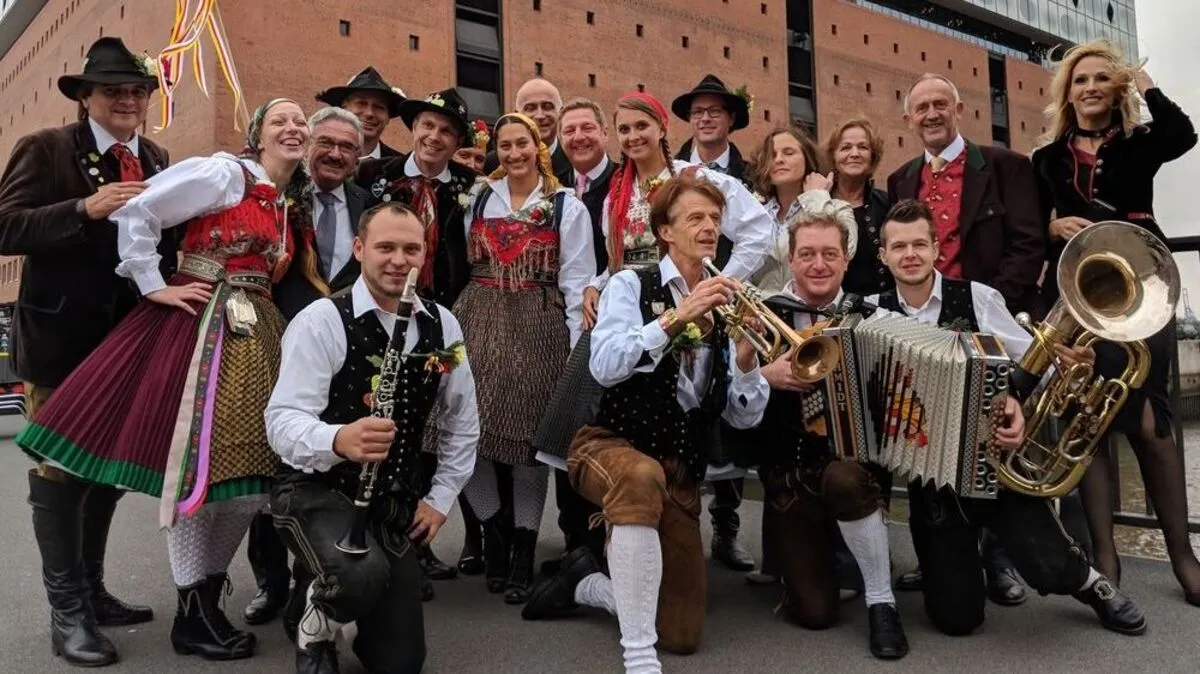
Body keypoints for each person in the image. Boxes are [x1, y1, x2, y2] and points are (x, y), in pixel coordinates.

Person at [15, 97, 321, 661]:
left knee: (249, 479)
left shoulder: (283, 203)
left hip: (256, 334)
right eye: (278, 118)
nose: (293, 127)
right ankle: (181, 608)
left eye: (301, 121)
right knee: (196, 469)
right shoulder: (224, 172)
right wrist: (153, 283)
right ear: (256, 135)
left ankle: (202, 600)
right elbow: (140, 212)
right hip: (199, 327)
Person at [522, 172, 768, 673]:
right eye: (695, 218)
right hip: (608, 443)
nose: (709, 227)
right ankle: (638, 656)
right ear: (665, 231)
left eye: (716, 219)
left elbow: (743, 416)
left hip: (678, 466)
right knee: (638, 477)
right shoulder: (629, 284)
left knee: (681, 634)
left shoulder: (727, 303)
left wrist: (745, 360)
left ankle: (588, 581)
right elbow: (605, 365)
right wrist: (674, 319)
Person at [865, 199, 1147, 637]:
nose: (910, 254)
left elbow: (1037, 364)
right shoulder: (869, 312)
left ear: (937, 248)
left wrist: (1062, 373)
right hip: (931, 479)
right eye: (898, 246)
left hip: (993, 461)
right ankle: (969, 559)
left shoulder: (978, 297)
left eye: (920, 243)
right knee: (957, 620)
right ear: (883, 255)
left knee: (1050, 568)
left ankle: (1093, 584)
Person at [0, 36, 169, 667]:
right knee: (61, 474)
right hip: (60, 344)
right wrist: (82, 207)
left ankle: (94, 593)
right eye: (114, 91)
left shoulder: (154, 155)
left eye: (136, 90)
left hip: (127, 345)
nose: (127, 100)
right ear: (87, 98)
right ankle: (65, 611)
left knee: (106, 475)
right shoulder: (45, 149)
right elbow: (4, 227)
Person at [265, 202, 479, 674]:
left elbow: (463, 422)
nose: (398, 260)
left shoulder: (442, 325)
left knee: (400, 663)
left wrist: (440, 498)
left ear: (424, 254)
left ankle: (326, 587)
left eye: (410, 249)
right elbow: (281, 422)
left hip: (389, 499)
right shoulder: (321, 320)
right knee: (359, 574)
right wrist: (339, 438)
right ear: (360, 249)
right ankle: (316, 627)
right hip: (314, 490)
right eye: (385, 247)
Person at [1030, 39, 1200, 607]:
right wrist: (1053, 230)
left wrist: (1144, 80)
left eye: (1103, 79)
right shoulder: (1046, 159)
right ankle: (1106, 557)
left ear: (1117, 88)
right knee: (1089, 423)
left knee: (1152, 424)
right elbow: (1037, 222)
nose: (1090, 88)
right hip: (1081, 292)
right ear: (1067, 92)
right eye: (1080, 81)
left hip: (1141, 286)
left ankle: (1183, 556)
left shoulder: (1141, 142)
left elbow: (1184, 134)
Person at [887, 73, 1047, 601]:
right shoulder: (901, 177)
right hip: (925, 325)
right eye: (921, 107)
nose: (931, 114)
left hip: (980, 318)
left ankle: (997, 558)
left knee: (990, 443)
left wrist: (984, 305)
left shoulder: (1005, 165)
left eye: (940, 104)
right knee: (926, 441)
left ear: (958, 108)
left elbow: (1027, 244)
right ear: (908, 118)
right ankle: (941, 553)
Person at [751, 191, 907, 659]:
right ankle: (808, 558)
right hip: (789, 480)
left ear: (846, 259)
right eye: (806, 254)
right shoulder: (763, 315)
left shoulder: (877, 318)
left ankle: (883, 601)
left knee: (844, 474)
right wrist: (763, 377)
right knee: (815, 613)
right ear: (790, 259)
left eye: (829, 254)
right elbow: (732, 411)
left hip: (851, 477)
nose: (818, 265)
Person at [451, 113, 594, 604]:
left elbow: (577, 282)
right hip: (478, 318)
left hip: (538, 325)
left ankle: (522, 549)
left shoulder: (566, 207)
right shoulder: (479, 199)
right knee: (468, 436)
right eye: (505, 146)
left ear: (538, 147)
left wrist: (578, 351)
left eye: (522, 144)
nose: (513, 154)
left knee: (529, 445)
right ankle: (493, 533)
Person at [245, 106, 370, 628]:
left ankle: (309, 580)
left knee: (323, 469)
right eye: (327, 143)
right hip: (274, 341)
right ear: (308, 143)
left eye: (348, 147)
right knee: (269, 463)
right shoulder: (275, 191)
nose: (336, 154)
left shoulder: (368, 204)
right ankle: (270, 582)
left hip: (345, 355)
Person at [671, 76, 756, 564]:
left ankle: (727, 525)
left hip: (726, 298)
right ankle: (679, 519)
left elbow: (758, 235)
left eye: (715, 111)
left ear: (729, 119)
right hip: (675, 296)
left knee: (726, 407)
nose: (705, 118)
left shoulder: (748, 172)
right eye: (698, 111)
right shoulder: (673, 167)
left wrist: (723, 280)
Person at [538, 97, 616, 574]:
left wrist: (600, 284)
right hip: (571, 321)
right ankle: (576, 542)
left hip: (616, 317)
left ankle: (612, 534)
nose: (580, 137)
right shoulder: (556, 187)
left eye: (588, 127)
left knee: (607, 431)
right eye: (570, 131)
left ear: (604, 133)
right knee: (569, 428)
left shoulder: (622, 183)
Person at [357, 88, 477, 309]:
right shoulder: (370, 173)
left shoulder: (473, 185)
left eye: (446, 131)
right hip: (379, 302)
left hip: (448, 309)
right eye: (428, 126)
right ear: (414, 127)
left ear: (458, 142)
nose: (434, 137)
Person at [824, 117, 893, 296]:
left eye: (862, 147)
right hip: (831, 310)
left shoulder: (888, 204)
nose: (854, 153)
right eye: (845, 147)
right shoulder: (820, 202)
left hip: (881, 311)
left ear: (872, 156)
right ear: (833, 156)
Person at [483, 78, 572, 179]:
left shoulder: (573, 161)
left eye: (547, 107)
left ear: (560, 113)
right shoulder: (493, 163)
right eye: (531, 108)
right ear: (517, 115)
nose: (540, 116)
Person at [316, 66, 407, 159]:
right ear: (343, 108)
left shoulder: (401, 168)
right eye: (361, 103)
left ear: (388, 117)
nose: (369, 113)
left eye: (379, 107)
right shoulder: (318, 158)